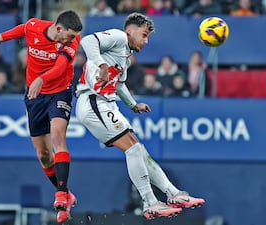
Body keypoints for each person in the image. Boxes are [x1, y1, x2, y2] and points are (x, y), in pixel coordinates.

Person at [75, 12, 205, 219]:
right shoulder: (118, 37)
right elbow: (88, 40)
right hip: (92, 101)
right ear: (130, 31)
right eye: (143, 35)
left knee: (140, 151)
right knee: (134, 150)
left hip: (106, 103)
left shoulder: (125, 56)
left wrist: (133, 105)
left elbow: (119, 85)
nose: (145, 41)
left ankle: (173, 194)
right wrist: (100, 65)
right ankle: (150, 202)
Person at [0, 10, 83, 223]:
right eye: (69, 35)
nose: (72, 39)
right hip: (35, 96)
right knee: (42, 154)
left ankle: (60, 195)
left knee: (58, 137)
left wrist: (41, 78)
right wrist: (1, 37)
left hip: (60, 91)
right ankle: (67, 194)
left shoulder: (71, 41)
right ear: (58, 29)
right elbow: (22, 29)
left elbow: (61, 68)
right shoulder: (35, 26)